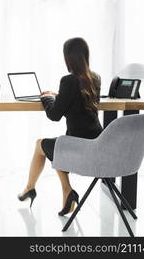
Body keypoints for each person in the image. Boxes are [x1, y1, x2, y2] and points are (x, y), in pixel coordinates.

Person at [18, 37, 103, 216]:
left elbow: (54, 115)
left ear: (68, 58)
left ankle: (31, 187)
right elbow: (79, 102)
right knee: (57, 144)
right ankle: (64, 192)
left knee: (41, 144)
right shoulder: (95, 78)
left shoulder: (69, 80)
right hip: (98, 144)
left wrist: (47, 97)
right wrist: (60, 95)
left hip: (78, 147)